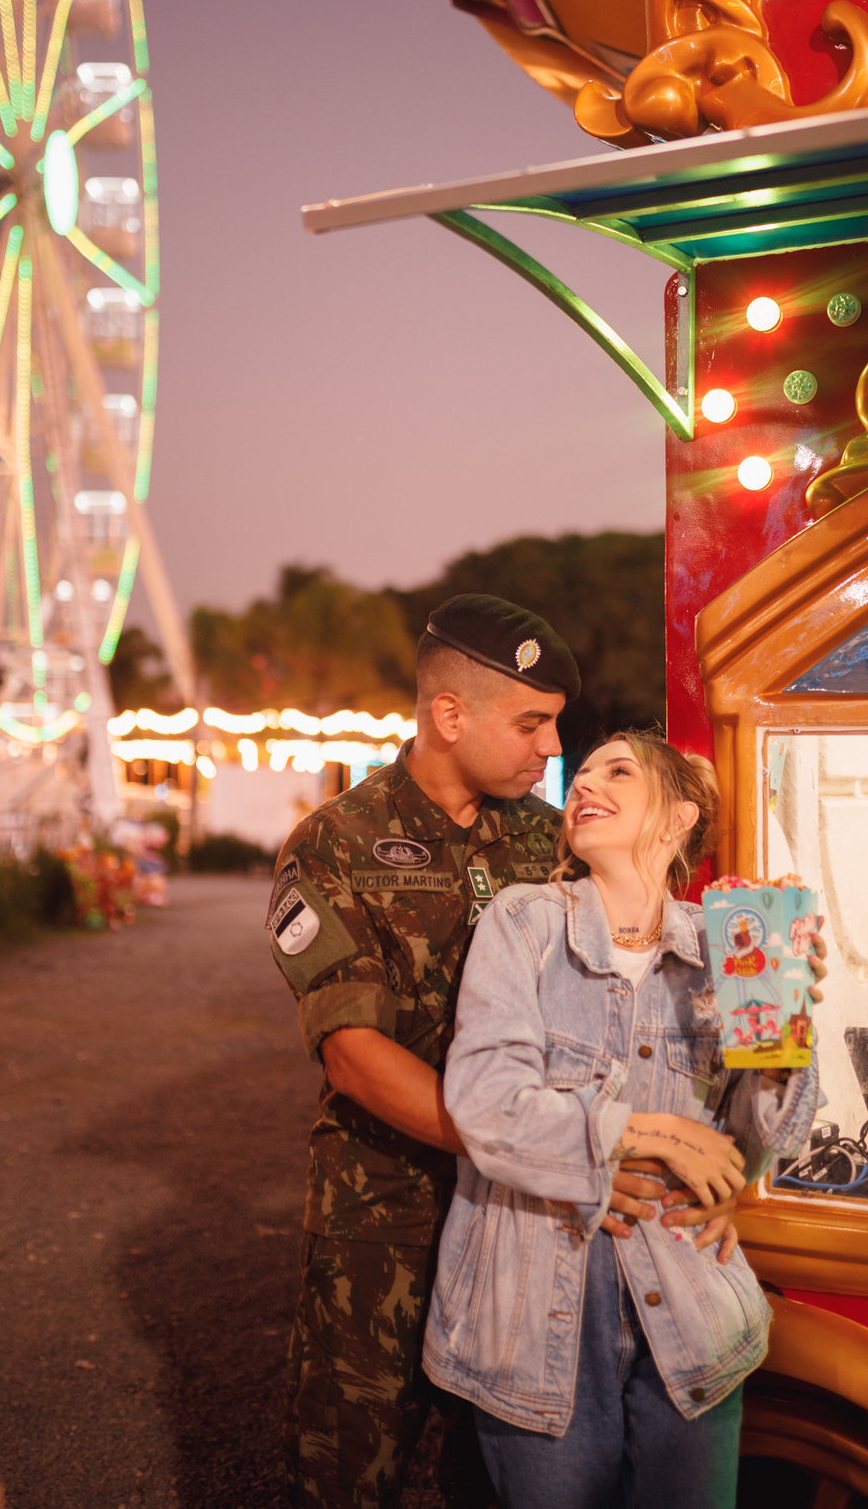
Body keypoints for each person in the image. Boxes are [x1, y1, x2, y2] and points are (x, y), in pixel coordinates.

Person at [270, 599, 734, 1508]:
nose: (553, 748)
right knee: (355, 1467)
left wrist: (761, 958)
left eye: (555, 723)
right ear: (450, 716)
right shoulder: (333, 844)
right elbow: (355, 1057)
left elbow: (632, 957)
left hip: (532, 1221)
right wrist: (546, 1151)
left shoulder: (542, 836)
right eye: (532, 722)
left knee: (499, 1473)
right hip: (393, 1213)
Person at [423, 731, 828, 1509]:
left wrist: (783, 1040)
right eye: (581, 775)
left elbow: (755, 1150)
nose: (583, 785)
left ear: (680, 818)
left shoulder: (729, 946)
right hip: (533, 1326)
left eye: (619, 772)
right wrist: (649, 1132)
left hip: (690, 1314)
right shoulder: (525, 923)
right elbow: (485, 1102)